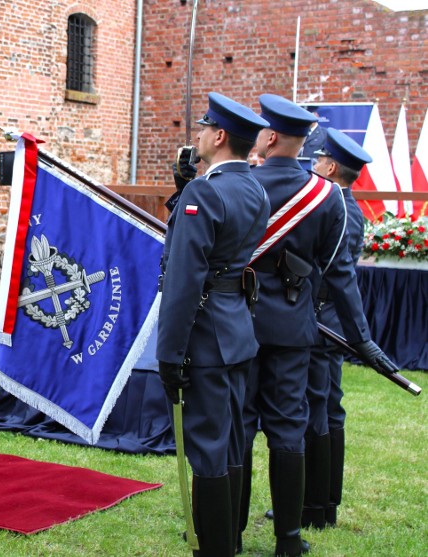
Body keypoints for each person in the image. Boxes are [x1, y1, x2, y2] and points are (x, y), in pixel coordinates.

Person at [239, 95, 396, 557]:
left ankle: (230, 529)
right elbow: (340, 277)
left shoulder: (241, 185)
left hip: (241, 326)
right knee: (290, 429)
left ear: (268, 137)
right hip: (293, 329)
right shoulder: (325, 196)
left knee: (241, 428)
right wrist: (362, 339)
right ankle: (289, 538)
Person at [158, 92, 271, 557]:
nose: (198, 135)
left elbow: (184, 280)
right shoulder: (255, 188)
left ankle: (215, 548)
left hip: (205, 336)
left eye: (204, 128)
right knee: (232, 442)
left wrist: (168, 353)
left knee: (207, 448)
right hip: (239, 332)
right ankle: (231, 539)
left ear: (220, 136)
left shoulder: (204, 191)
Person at [304, 128, 372, 529]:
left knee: (322, 409)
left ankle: (318, 505)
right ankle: (321, 503)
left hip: (322, 320)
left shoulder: (339, 210)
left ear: (330, 167)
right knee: (328, 407)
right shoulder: (346, 207)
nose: (313, 166)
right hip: (326, 319)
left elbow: (334, 274)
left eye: (317, 161)